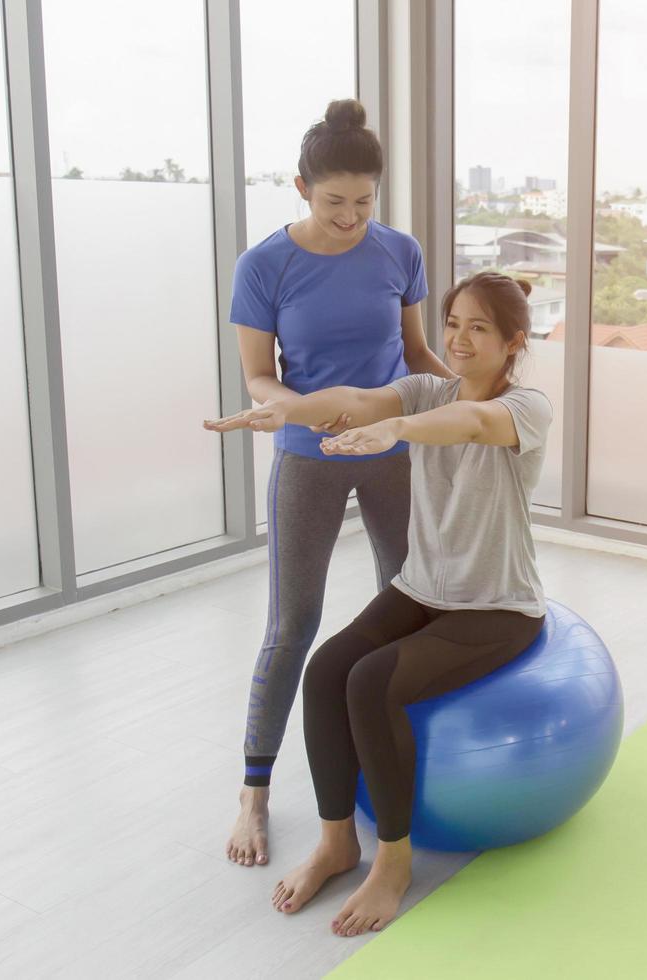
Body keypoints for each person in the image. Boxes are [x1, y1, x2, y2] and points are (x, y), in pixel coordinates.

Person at [205, 272, 552, 936]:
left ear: (512, 343)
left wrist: (398, 427)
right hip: (422, 588)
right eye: (452, 323)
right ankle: (338, 841)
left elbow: (473, 424)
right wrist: (291, 409)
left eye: (479, 328)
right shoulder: (427, 389)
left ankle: (393, 863)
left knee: (371, 683)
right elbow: (359, 398)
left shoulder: (525, 407)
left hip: (496, 607)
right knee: (326, 670)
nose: (458, 338)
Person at [219, 98, 453, 868]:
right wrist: (294, 413)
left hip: (390, 450)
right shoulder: (264, 266)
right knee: (293, 625)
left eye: (364, 202)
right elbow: (260, 376)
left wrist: (479, 398)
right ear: (300, 187)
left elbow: (416, 355)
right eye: (334, 203)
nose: (352, 218)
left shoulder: (399, 252)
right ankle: (255, 793)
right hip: (309, 457)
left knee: (409, 606)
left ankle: (402, 765)